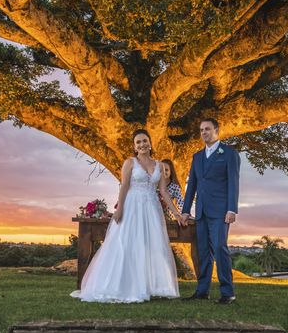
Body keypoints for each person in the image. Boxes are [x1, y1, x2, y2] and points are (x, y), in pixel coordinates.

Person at [71, 129, 184, 303]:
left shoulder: (160, 165)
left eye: (145, 141)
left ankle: (148, 285)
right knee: (126, 243)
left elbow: (163, 191)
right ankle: (123, 285)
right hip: (132, 207)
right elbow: (124, 186)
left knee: (150, 245)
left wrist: (176, 213)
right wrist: (119, 209)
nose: (142, 144)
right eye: (138, 142)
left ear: (150, 143)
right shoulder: (130, 163)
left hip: (152, 208)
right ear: (134, 146)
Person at [181, 118, 240, 304]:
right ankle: (202, 290)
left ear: (216, 130)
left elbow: (233, 183)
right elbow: (192, 186)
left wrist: (232, 209)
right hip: (201, 212)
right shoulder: (197, 157)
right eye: (201, 130)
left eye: (207, 129)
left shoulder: (229, 154)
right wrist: (185, 210)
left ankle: (227, 292)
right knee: (204, 251)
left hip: (221, 211)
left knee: (220, 248)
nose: (204, 132)